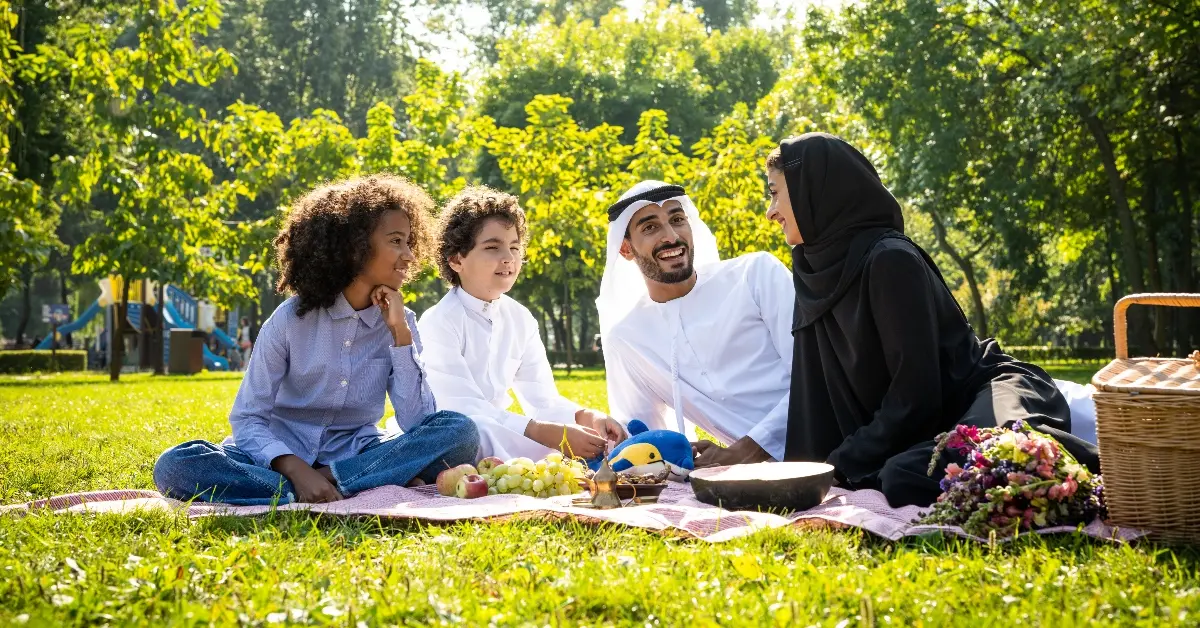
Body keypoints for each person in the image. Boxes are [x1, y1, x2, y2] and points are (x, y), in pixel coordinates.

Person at [766, 132, 1100, 507]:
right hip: (926, 427)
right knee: (905, 473)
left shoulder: (889, 260)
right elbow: (814, 398)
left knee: (989, 457)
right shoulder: (813, 273)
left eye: (776, 193)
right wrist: (805, 475)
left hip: (987, 393)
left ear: (814, 188)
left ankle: (1123, 477)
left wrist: (841, 463)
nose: (771, 211)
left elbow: (916, 393)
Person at [153, 174, 479, 505]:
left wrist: (400, 335)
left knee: (459, 432)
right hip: (280, 456)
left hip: (357, 451)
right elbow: (248, 419)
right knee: (176, 465)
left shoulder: (401, 322)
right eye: (396, 241)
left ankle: (328, 482)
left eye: (410, 242)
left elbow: (418, 423)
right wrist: (295, 469)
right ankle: (343, 484)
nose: (409, 256)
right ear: (353, 247)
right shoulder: (290, 319)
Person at [418, 186, 625, 462]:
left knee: (578, 436)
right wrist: (546, 434)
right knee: (474, 430)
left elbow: (542, 400)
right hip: (454, 435)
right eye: (492, 247)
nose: (509, 258)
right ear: (457, 259)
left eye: (515, 247)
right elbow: (461, 409)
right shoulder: (438, 322)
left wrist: (586, 416)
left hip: (501, 431)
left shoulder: (520, 318)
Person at [598, 180, 795, 469]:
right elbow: (646, 438)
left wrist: (745, 451)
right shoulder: (627, 339)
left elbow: (814, 376)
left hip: (836, 443)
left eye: (678, 220)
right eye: (650, 227)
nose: (671, 236)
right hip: (758, 476)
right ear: (626, 249)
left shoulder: (755, 275)